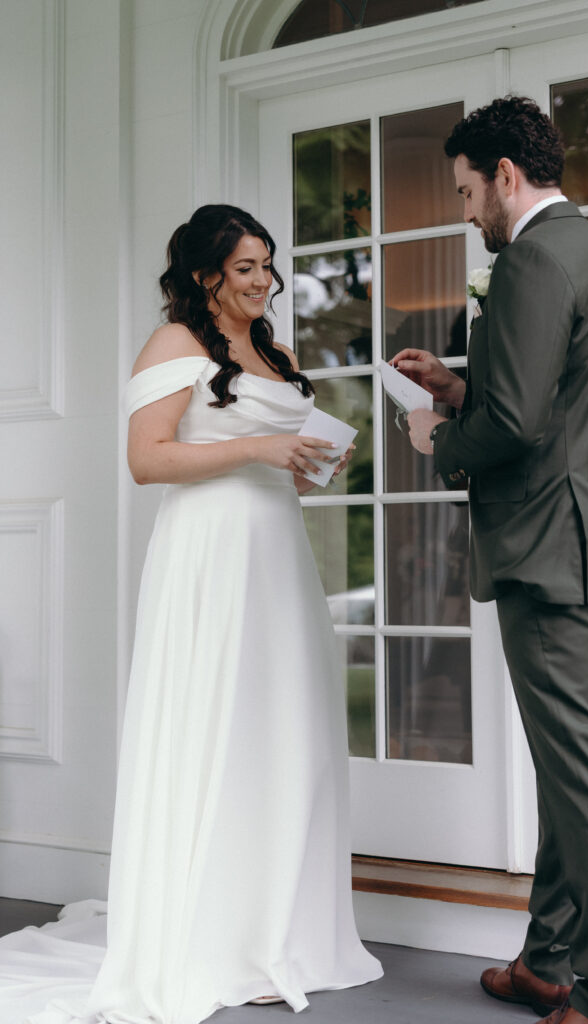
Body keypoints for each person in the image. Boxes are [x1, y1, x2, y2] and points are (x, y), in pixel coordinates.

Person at [3, 204, 382, 1023]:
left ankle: (281, 930)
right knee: (219, 726)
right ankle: (213, 935)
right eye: (245, 267)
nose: (263, 281)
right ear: (205, 273)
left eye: (267, 266)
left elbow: (281, 460)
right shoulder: (173, 345)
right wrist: (257, 447)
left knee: (289, 732)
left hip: (277, 549)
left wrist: (311, 460)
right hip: (209, 555)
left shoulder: (272, 350)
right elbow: (148, 461)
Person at [393, 96, 588, 1024]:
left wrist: (437, 433)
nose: (466, 211)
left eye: (468, 191)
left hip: (550, 546)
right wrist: (459, 381)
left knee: (580, 770)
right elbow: (552, 395)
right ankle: (547, 960)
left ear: (505, 175)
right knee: (565, 761)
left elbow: (513, 426)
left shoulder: (535, 259)